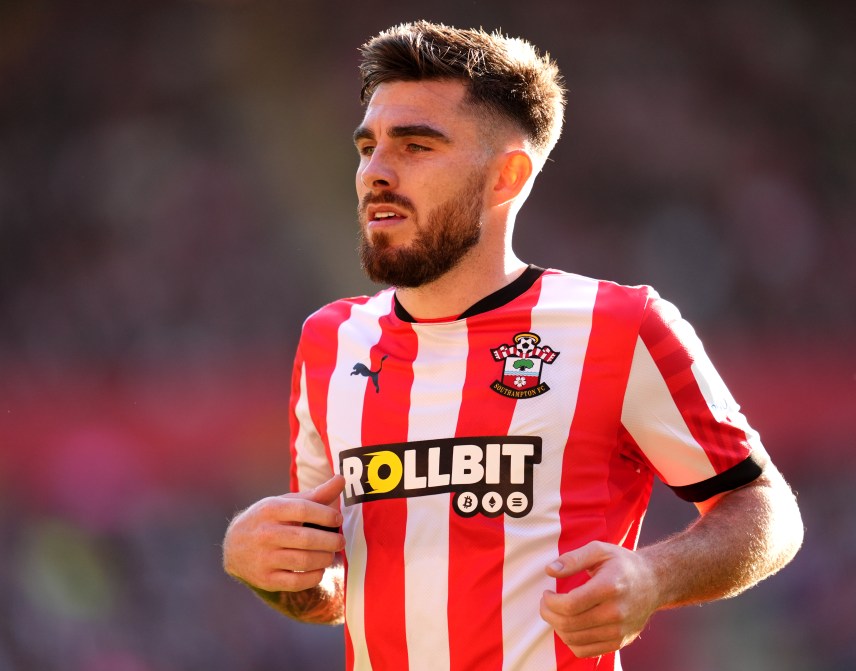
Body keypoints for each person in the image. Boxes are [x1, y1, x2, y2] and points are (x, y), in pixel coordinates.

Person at [222, 20, 804, 671]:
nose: (375, 173)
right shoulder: (328, 340)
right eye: (367, 147)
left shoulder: (617, 324)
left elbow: (763, 508)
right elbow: (335, 583)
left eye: (415, 146)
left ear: (507, 176)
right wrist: (275, 571)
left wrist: (652, 577)